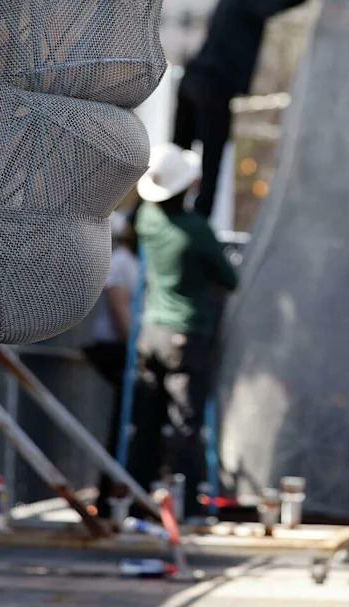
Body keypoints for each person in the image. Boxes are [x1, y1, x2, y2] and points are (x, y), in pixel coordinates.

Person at [174, 0, 315, 217]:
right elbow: (273, 3)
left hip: (198, 82)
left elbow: (278, 1)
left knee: (181, 154)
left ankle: (172, 215)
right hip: (211, 86)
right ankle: (197, 221)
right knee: (206, 161)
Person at [130, 142, 238, 519]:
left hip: (151, 332)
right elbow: (229, 278)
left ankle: (136, 499)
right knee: (183, 424)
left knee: (146, 420)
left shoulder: (146, 219)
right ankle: (187, 503)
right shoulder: (195, 230)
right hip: (186, 334)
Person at [83, 213, 143, 519]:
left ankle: (129, 490)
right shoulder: (121, 261)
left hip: (131, 348)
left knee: (134, 420)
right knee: (124, 418)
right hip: (116, 349)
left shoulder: (140, 261)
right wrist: (136, 345)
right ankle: (108, 497)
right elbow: (119, 308)